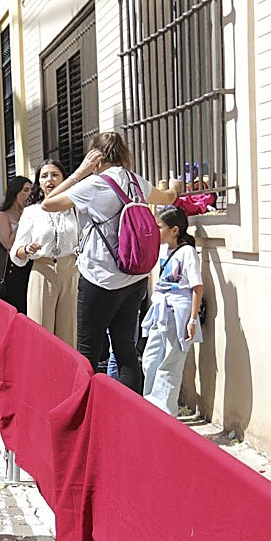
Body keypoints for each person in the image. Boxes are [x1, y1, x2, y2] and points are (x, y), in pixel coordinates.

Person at [43, 131, 181, 391]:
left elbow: (48, 204)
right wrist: (174, 187)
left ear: (95, 157)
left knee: (87, 351)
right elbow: (168, 198)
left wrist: (80, 172)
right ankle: (130, 410)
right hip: (134, 278)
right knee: (125, 348)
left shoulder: (93, 185)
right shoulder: (136, 181)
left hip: (100, 278)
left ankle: (85, 408)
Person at [10, 159, 80, 346]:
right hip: (42, 271)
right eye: (44, 176)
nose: (50, 180)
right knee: (40, 333)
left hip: (70, 271)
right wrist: (27, 249)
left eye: (55, 175)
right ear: (39, 183)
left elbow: (83, 238)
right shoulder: (31, 212)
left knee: (68, 334)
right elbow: (16, 251)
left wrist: (80, 249)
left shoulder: (75, 209)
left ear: (64, 179)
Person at [141, 206, 203, 415]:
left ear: (174, 230)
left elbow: (197, 287)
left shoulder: (187, 253)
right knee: (150, 360)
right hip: (160, 312)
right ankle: (150, 408)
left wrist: (192, 320)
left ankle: (165, 413)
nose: (156, 231)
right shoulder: (163, 250)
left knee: (170, 364)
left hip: (178, 313)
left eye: (160, 227)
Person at [0, 176, 34, 315]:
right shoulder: (2, 216)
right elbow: (9, 244)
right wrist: (24, 218)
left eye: (31, 190)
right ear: (15, 192)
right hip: (13, 269)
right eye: (25, 190)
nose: (29, 194)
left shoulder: (33, 214)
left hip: (32, 265)